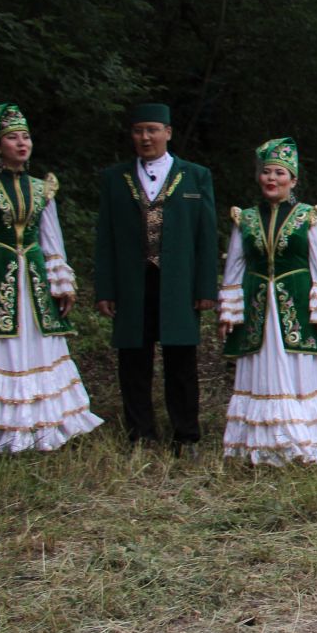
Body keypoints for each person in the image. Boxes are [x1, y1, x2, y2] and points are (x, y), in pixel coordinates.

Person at [0, 103, 102, 452]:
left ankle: (42, 427)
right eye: (13, 137)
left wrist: (61, 281)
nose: (21, 143)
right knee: (1, 345)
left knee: (37, 344)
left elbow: (51, 240)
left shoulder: (42, 187)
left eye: (26, 137)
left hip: (33, 280)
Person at [94, 102, 219, 454]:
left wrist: (206, 287)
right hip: (133, 283)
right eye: (138, 130)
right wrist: (105, 287)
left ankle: (186, 435)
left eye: (152, 130)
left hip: (178, 282)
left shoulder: (195, 176)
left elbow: (205, 237)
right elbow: (105, 237)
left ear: (168, 132)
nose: (145, 137)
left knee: (181, 359)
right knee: (134, 359)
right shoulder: (114, 179)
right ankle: (141, 434)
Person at [217, 138, 317, 465]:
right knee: (260, 369)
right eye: (266, 173)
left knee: (301, 370)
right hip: (258, 308)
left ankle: (306, 441)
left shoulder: (308, 217)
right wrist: (229, 312)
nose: (271, 179)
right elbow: (234, 267)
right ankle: (262, 445)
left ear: (293, 179)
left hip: (298, 307)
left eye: (279, 173)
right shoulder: (245, 219)